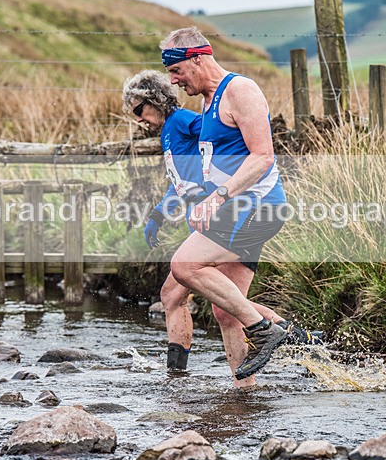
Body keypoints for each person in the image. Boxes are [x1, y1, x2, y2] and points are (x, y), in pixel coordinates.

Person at [122, 70, 320, 385]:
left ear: (155, 100)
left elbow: (224, 140)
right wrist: (159, 213)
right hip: (223, 217)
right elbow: (180, 184)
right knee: (225, 310)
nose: (138, 119)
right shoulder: (168, 132)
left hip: (228, 216)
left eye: (138, 110)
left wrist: (221, 192)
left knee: (173, 292)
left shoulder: (183, 121)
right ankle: (266, 370)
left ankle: (177, 380)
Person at [160, 27, 292, 383]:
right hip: (238, 208)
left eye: (176, 71)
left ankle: (266, 330)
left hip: (256, 205)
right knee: (224, 311)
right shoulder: (207, 100)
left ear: (198, 59)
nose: (173, 81)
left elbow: (262, 156)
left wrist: (219, 197)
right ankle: (245, 395)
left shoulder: (240, 90)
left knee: (184, 266)